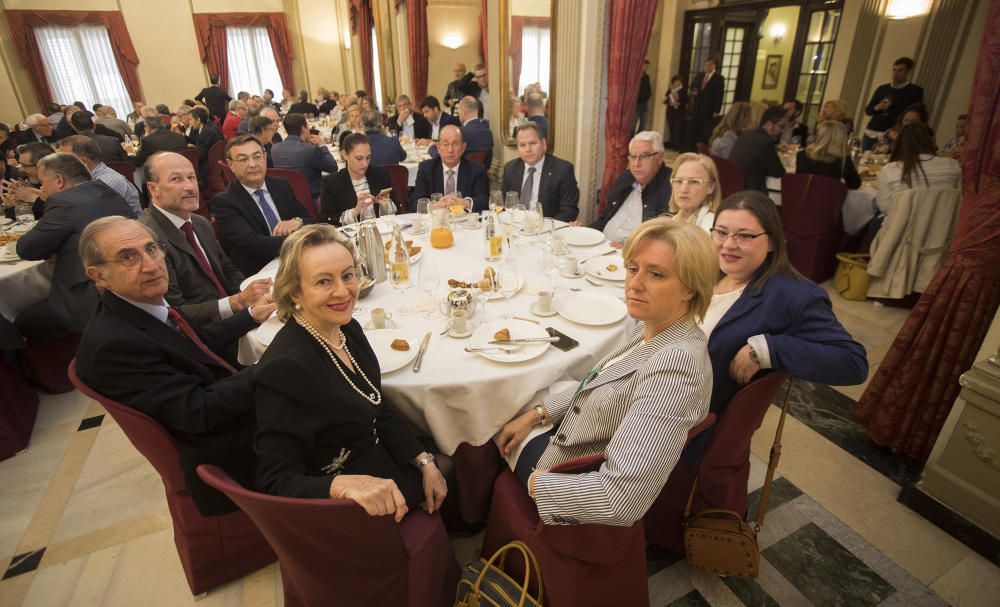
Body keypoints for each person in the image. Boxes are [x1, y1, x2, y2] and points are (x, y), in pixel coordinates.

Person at [497, 218, 714, 525]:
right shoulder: (655, 326)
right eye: (633, 268)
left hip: (563, 467)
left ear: (691, 289)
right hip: (578, 430)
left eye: (656, 274)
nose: (634, 284)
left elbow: (619, 499)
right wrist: (537, 414)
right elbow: (599, 381)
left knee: (491, 414)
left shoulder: (676, 367)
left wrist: (537, 484)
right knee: (520, 396)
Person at [75, 216, 274, 515]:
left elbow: (195, 342)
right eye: (128, 257)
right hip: (227, 450)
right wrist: (276, 364)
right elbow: (199, 411)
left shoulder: (138, 304)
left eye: (151, 249)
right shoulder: (114, 346)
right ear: (98, 276)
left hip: (221, 405)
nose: (150, 264)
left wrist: (250, 317)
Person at [253, 225, 448, 518]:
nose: (343, 292)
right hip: (347, 499)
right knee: (457, 464)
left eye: (347, 275)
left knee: (444, 459)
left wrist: (423, 461)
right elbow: (275, 482)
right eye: (323, 281)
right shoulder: (285, 369)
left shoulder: (346, 329)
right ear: (295, 291)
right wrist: (339, 486)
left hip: (373, 452)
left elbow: (375, 401)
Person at [702, 191, 868, 417]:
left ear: (771, 241)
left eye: (745, 236)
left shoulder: (794, 295)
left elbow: (853, 363)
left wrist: (768, 349)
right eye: (721, 232)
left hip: (696, 416)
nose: (729, 244)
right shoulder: (706, 272)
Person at [140, 152, 272, 324]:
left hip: (237, 314)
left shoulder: (199, 222)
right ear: (153, 189)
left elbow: (227, 268)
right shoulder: (148, 240)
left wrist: (251, 292)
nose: (190, 187)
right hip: (206, 333)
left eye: (191, 177)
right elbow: (174, 313)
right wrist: (237, 302)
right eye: (176, 179)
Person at [14, 153, 135, 339]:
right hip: (128, 280)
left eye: (43, 182)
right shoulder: (107, 191)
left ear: (59, 180)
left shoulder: (63, 203)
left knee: (20, 321)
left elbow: (26, 249)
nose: (42, 188)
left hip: (91, 295)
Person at [211, 135, 313, 275]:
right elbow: (251, 244)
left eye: (257, 156)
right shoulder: (224, 202)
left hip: (297, 259)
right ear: (230, 165)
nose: (253, 164)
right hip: (261, 270)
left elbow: (308, 218)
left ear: (265, 157)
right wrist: (300, 241)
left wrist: (297, 222)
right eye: (243, 159)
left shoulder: (281, 185)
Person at [582, 131, 671, 247]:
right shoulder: (625, 178)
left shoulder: (672, 185)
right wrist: (583, 231)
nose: (636, 164)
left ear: (659, 158)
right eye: (633, 157)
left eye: (643, 157)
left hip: (633, 255)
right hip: (603, 246)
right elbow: (604, 219)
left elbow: (665, 239)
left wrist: (630, 248)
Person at [876, 122, 960, 216]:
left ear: (899, 143)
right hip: (943, 224)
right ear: (930, 141)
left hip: (901, 226)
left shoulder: (890, 169)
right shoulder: (952, 164)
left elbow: (884, 207)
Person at [500, 123, 579, 222]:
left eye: (532, 143)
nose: (528, 149)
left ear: (544, 144)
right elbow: (503, 204)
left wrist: (543, 227)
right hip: (515, 227)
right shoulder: (510, 168)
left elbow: (569, 211)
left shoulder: (563, 170)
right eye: (522, 145)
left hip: (546, 230)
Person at [320, 133, 396, 225]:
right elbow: (327, 220)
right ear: (345, 155)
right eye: (359, 158)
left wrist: (386, 205)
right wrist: (356, 211)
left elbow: (398, 208)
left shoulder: (381, 175)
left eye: (368, 158)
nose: (365, 164)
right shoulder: (331, 183)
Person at [57, 135, 141, 215]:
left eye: (63, 160)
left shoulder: (106, 182)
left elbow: (84, 214)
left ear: (84, 162)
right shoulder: (86, 179)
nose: (59, 165)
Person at [411, 125, 488, 212]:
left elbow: (483, 202)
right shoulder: (426, 168)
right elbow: (415, 202)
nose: (450, 150)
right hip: (436, 222)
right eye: (445, 144)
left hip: (463, 222)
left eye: (455, 144)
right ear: (438, 148)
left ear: (463, 148)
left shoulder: (476, 170)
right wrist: (435, 206)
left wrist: (464, 203)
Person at [271, 113, 339, 198]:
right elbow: (333, 167)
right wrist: (323, 146)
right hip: (312, 198)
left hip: (287, 197)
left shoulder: (274, 149)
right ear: (303, 129)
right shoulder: (311, 150)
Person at [862, 57, 924, 151]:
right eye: (894, 70)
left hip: (892, 133)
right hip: (872, 131)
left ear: (908, 72)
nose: (895, 74)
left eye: (900, 70)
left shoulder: (915, 91)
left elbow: (916, 114)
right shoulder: (882, 89)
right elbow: (868, 111)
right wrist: (878, 107)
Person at [728, 105, 787, 191]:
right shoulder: (766, 142)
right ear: (769, 124)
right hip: (751, 192)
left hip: (733, 185)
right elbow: (778, 172)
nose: (783, 130)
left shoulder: (746, 134)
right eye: (781, 126)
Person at [429, 96, 493, 168]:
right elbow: (488, 163)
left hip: (459, 176)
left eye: (458, 110)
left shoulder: (459, 133)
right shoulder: (488, 132)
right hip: (480, 176)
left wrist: (431, 147)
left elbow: (441, 157)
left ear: (463, 112)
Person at [796, 120, 862, 190]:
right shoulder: (843, 160)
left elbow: (799, 181)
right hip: (828, 199)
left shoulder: (802, 155)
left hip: (801, 198)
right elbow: (855, 184)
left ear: (819, 135)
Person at [667, 153, 720, 231]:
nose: (683, 189)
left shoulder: (711, 225)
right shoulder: (675, 219)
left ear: (711, 187)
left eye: (694, 182)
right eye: (679, 181)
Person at [1, 142, 54, 220]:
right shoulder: (31, 182)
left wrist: (34, 198)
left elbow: (63, 215)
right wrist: (12, 206)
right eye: (20, 164)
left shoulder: (63, 182)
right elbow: (29, 219)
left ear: (42, 165)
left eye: (25, 166)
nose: (20, 169)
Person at [689, 58, 724, 150]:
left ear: (713, 66)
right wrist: (693, 91)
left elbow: (719, 95)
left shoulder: (718, 78)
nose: (707, 67)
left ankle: (703, 148)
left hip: (709, 108)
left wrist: (716, 110)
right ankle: (693, 147)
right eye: (705, 65)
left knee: (705, 130)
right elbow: (693, 86)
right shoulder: (700, 76)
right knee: (694, 128)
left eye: (709, 65)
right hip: (697, 107)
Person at [191, 107, 223, 187]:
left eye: (191, 119)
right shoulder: (209, 126)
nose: (190, 123)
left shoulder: (206, 132)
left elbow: (200, 156)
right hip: (215, 161)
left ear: (198, 120)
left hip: (207, 167)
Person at [663, 75, 688, 150]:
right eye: (676, 81)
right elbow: (665, 99)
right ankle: (672, 143)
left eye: (679, 81)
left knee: (678, 129)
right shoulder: (670, 90)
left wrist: (679, 103)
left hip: (679, 112)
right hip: (671, 112)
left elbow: (686, 100)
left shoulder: (683, 90)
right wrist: (668, 102)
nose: (678, 83)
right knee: (671, 128)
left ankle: (678, 145)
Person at [634, 60, 652, 133]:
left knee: (643, 124)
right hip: (636, 104)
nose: (646, 68)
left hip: (644, 103)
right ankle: (631, 140)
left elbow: (648, 89)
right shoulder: (635, 77)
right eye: (645, 66)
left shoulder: (646, 77)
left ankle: (640, 139)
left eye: (647, 67)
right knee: (633, 123)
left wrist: (647, 97)